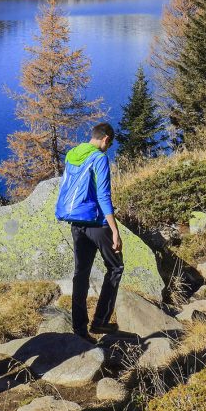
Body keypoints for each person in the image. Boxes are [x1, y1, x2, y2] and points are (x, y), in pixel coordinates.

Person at [55, 122, 122, 340]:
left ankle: (79, 329)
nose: (107, 148)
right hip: (96, 222)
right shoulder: (100, 158)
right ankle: (100, 321)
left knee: (80, 274)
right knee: (115, 267)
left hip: (76, 222)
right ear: (105, 139)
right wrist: (114, 230)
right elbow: (103, 196)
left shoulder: (73, 153)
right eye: (109, 144)